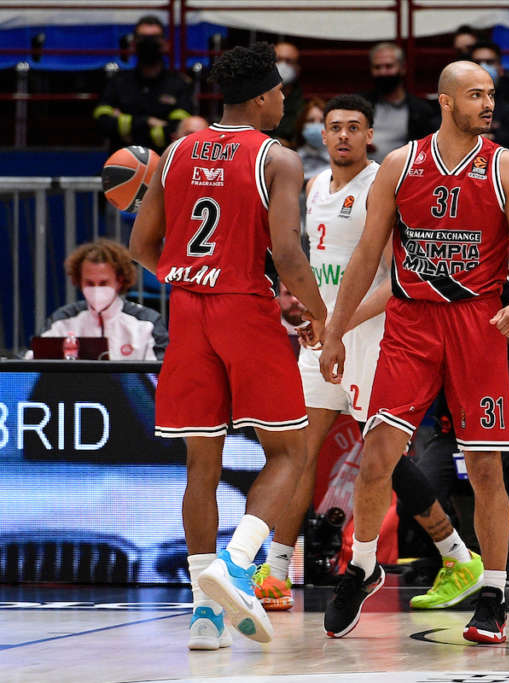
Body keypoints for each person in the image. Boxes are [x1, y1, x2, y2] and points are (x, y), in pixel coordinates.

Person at [317, 60, 509, 644]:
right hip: (412, 322)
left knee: (488, 466)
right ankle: (362, 567)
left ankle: (492, 592)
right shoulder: (400, 164)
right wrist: (336, 329)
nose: (488, 105)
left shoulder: (508, 167)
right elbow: (367, 256)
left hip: (477, 323)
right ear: (445, 102)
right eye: (475, 95)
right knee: (378, 453)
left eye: (490, 95)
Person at [129, 42, 329, 650]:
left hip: (187, 312)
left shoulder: (176, 152)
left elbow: (142, 245)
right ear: (264, 95)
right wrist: (321, 314)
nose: (285, 101)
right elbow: (290, 257)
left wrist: (193, 276)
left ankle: (203, 616)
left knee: (202, 466)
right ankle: (237, 567)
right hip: (245, 307)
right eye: (281, 93)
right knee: (291, 452)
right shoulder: (280, 158)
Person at [406, 256, 509, 609]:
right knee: (419, 478)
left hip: (507, 430)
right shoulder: (450, 300)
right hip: (451, 431)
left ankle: (505, 561)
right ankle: (450, 560)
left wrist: (507, 320)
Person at [35, 239, 168, 360]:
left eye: (103, 283)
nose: (96, 289)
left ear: (120, 281)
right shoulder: (62, 320)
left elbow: (160, 376)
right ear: (79, 281)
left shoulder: (147, 322)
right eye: (89, 283)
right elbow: (31, 363)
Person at [93, 15, 191, 153]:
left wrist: (127, 126)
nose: (148, 44)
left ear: (165, 45)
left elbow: (179, 130)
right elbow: (102, 122)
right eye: (143, 39)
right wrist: (148, 122)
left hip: (163, 162)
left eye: (154, 38)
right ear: (134, 44)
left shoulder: (179, 84)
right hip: (123, 161)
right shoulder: (118, 82)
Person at [362, 42, 440, 163]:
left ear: (403, 68)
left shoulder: (421, 110)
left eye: (389, 66)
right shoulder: (359, 105)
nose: (383, 72)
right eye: (377, 67)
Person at [272, 41, 305, 145]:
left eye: (289, 61)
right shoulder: (254, 99)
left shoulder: (303, 104)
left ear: (297, 68)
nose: (283, 65)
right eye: (278, 60)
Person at [293, 97, 330, 182]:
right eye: (311, 121)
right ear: (302, 125)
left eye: (322, 121)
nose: (316, 126)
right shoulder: (292, 160)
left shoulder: (341, 160)